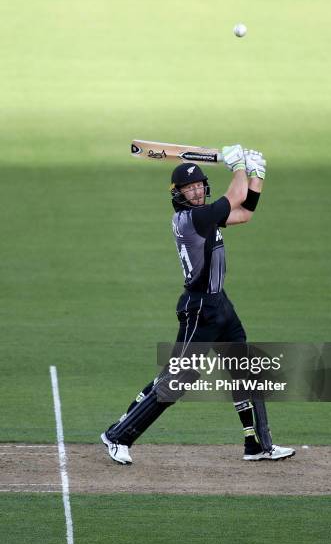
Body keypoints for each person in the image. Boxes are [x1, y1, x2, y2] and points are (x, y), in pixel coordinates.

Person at [101, 144, 295, 464]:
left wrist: (257, 175)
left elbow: (245, 213)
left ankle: (258, 445)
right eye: (188, 188)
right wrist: (238, 167)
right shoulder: (191, 220)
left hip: (221, 306)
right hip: (199, 309)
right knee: (179, 379)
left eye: (198, 186)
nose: (195, 192)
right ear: (178, 194)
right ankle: (118, 436)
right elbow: (234, 196)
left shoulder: (207, 216)